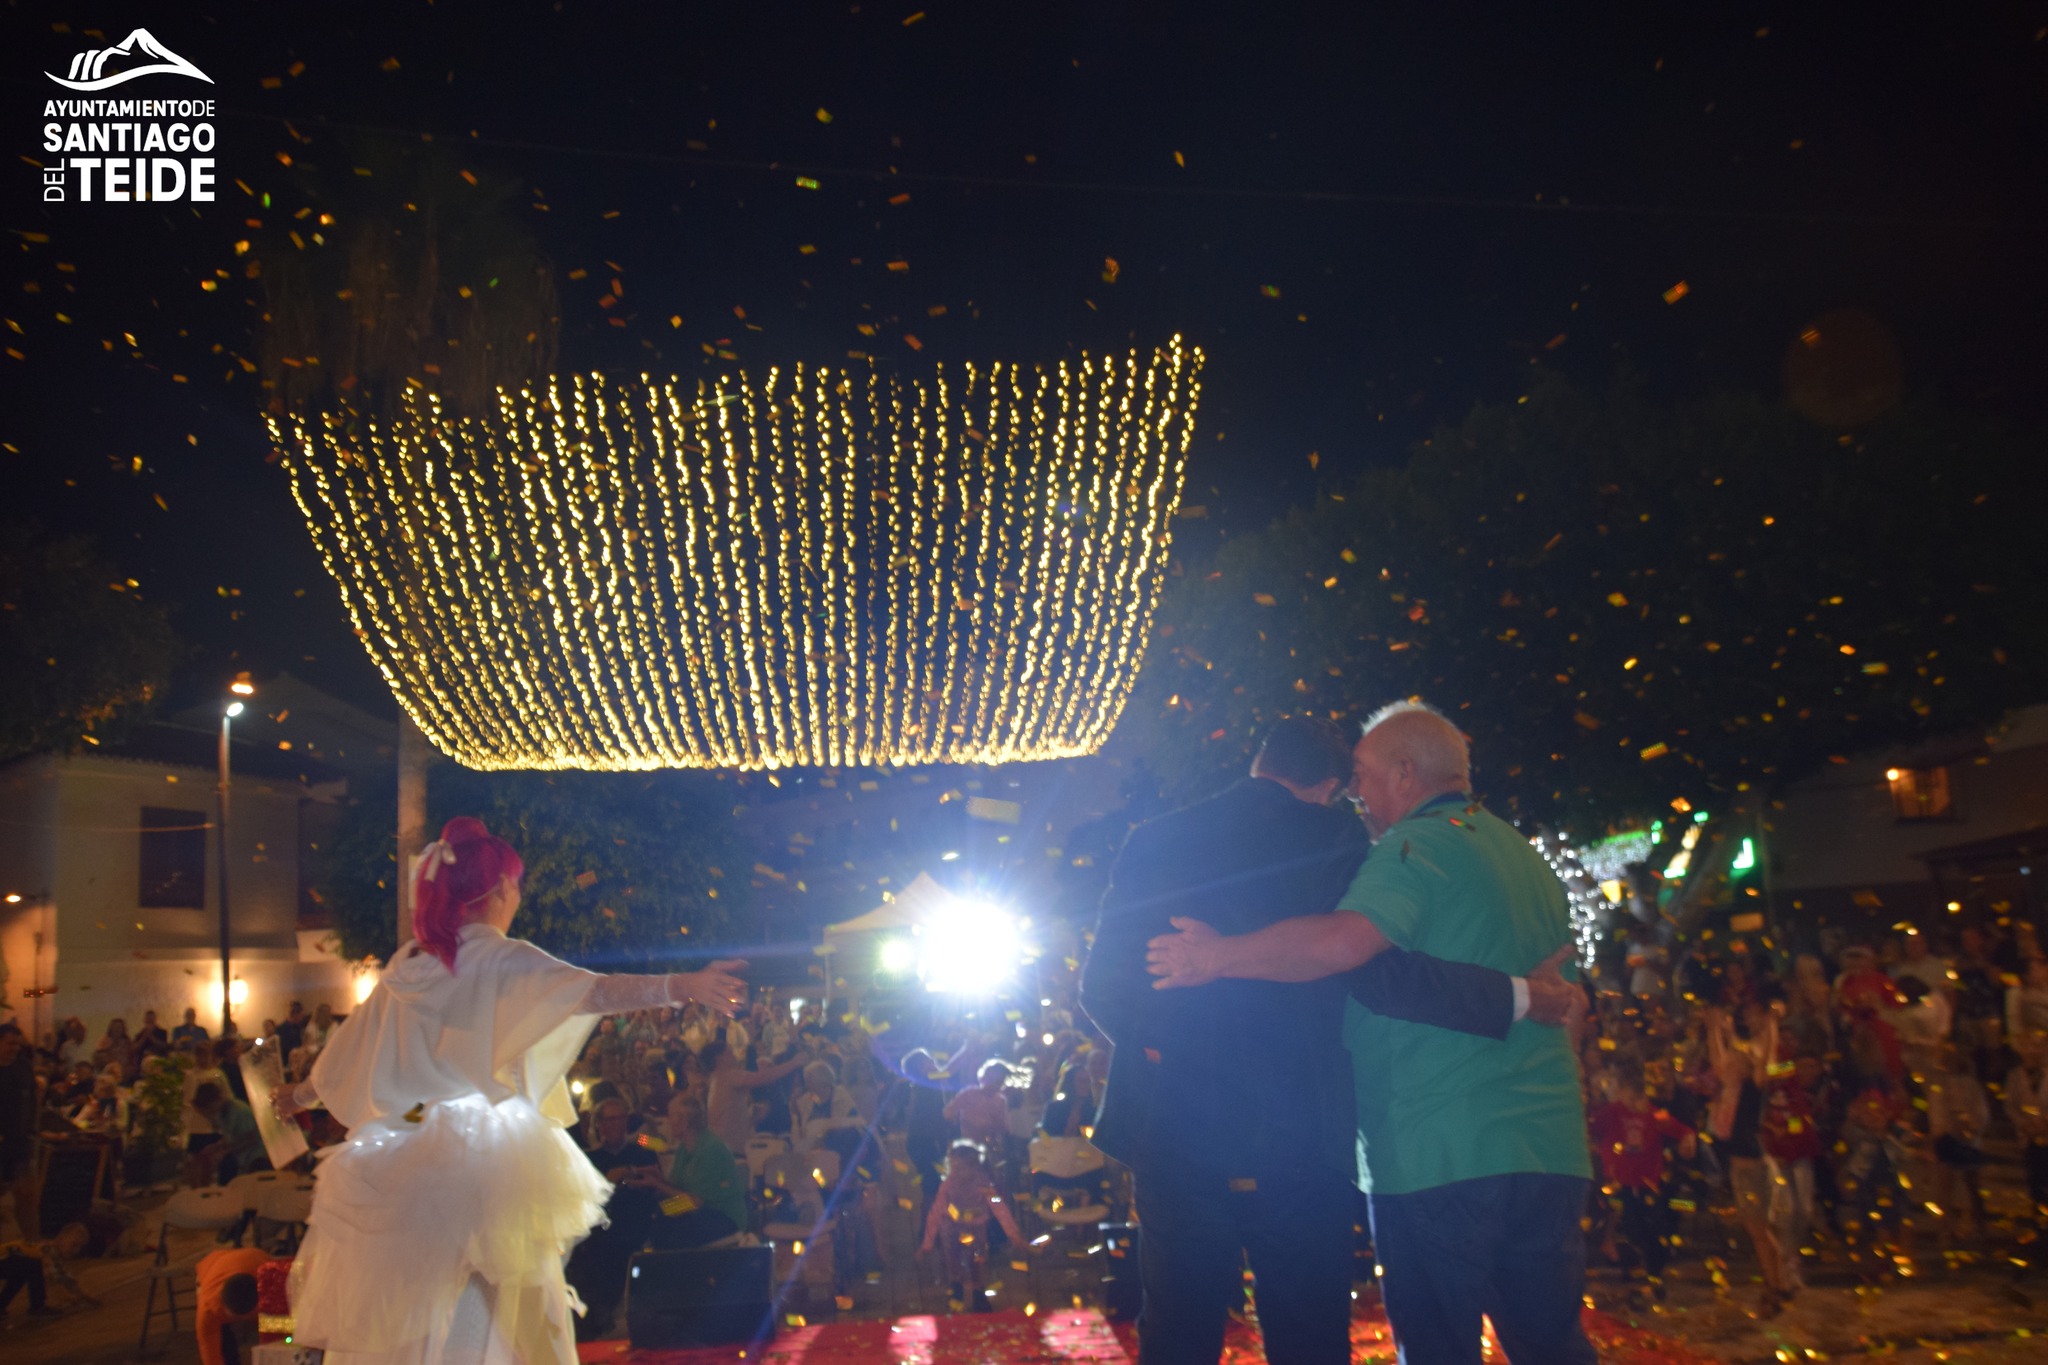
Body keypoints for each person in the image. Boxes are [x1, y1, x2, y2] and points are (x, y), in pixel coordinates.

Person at [1091, 713, 1578, 1365]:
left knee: (1179, 1323)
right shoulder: (1337, 836)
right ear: (1327, 785)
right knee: (1308, 1325)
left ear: (1262, 762)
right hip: (1299, 1127)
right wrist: (1520, 995)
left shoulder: (1155, 837)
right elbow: (1377, 973)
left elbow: (1103, 988)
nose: (1362, 802)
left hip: (1175, 1129)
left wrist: (1178, 1053)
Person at [271, 816, 749, 1365]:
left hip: (400, 1152)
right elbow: (592, 992)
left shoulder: (405, 973)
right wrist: (680, 986)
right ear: (498, 890)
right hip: (482, 1162)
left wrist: (298, 1097)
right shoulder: (499, 956)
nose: (518, 895)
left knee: (406, 1319)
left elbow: (345, 1055)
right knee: (496, 1310)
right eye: (516, 883)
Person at [1589, 1068, 1694, 1295]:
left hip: (1648, 1183)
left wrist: (1688, 1139)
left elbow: (1682, 1130)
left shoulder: (1653, 1115)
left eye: (1636, 1097)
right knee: (1631, 1226)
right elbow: (1592, 1126)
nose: (1631, 1102)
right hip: (1619, 1182)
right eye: (1627, 1096)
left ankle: (1654, 1271)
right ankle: (1630, 1260)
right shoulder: (1612, 1112)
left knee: (1652, 1226)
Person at [564, 1097, 659, 1341]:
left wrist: (629, 1174)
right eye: (609, 1120)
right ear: (600, 1125)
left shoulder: (642, 1147)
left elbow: (658, 1169)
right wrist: (611, 1179)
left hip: (638, 1223)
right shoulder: (591, 1158)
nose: (615, 1125)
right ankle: (602, 1317)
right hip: (603, 1229)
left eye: (619, 1118)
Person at [631, 1093, 748, 1251]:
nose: (668, 1121)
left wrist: (657, 1184)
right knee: (653, 1215)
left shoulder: (711, 1149)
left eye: (671, 1116)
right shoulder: (684, 1149)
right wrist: (657, 1178)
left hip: (720, 1214)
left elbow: (695, 1202)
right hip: (696, 1208)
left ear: (684, 1122)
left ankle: (675, 1269)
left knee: (676, 1233)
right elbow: (676, 1189)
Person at [919, 1138, 1024, 1311]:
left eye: (960, 1168)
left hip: (977, 1228)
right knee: (953, 1261)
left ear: (973, 1168)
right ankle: (956, 1294)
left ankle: (978, 1295)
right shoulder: (948, 1185)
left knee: (977, 1261)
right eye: (953, 1168)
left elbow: (1000, 1209)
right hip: (952, 1228)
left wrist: (1013, 1234)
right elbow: (936, 1212)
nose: (956, 1173)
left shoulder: (983, 1185)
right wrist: (927, 1243)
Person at [0, 1025, 41, 1240]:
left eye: (17, 1043)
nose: (15, 1048)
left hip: (19, 1141)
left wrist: (33, 1130)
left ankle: (33, 1247)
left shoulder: (23, 1067)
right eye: (10, 1043)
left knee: (26, 1197)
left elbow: (34, 1097)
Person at [193, 1246, 266, 1365]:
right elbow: (208, 1348)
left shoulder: (270, 1279)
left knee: (274, 1324)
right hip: (212, 1264)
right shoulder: (208, 1308)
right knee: (223, 1342)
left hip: (253, 1258)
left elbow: (286, 1324)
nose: (243, 1320)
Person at [0, 1221, 87, 1320]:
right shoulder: (47, 1249)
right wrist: (70, 1296)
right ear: (62, 1237)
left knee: (22, 1273)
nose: (76, 1250)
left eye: (80, 1247)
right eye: (74, 1245)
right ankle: (37, 1307)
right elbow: (53, 1277)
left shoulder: (49, 1251)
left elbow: (64, 1278)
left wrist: (81, 1296)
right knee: (33, 1264)